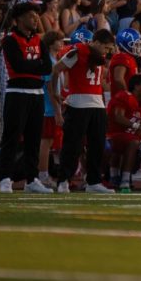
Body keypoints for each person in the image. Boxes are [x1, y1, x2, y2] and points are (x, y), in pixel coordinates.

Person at [0, 2, 54, 194]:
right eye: (31, 15)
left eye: (37, 15)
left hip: (37, 95)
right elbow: (18, 66)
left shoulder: (39, 40)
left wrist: (32, 64)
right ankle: (6, 178)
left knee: (33, 140)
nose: (36, 19)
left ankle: (32, 180)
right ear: (19, 19)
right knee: (11, 137)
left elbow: (47, 68)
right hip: (17, 94)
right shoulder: (10, 40)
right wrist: (36, 63)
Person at [52, 28, 116, 194]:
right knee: (72, 146)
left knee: (97, 146)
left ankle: (93, 181)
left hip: (97, 105)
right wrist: (55, 93)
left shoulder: (99, 56)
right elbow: (56, 69)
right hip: (78, 104)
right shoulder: (77, 51)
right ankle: (64, 180)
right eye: (106, 48)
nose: (107, 52)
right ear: (97, 43)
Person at [107, 74, 141, 193]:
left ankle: (119, 176)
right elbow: (118, 117)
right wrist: (138, 126)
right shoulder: (124, 96)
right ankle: (124, 180)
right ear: (136, 86)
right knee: (133, 142)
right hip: (112, 134)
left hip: (130, 136)